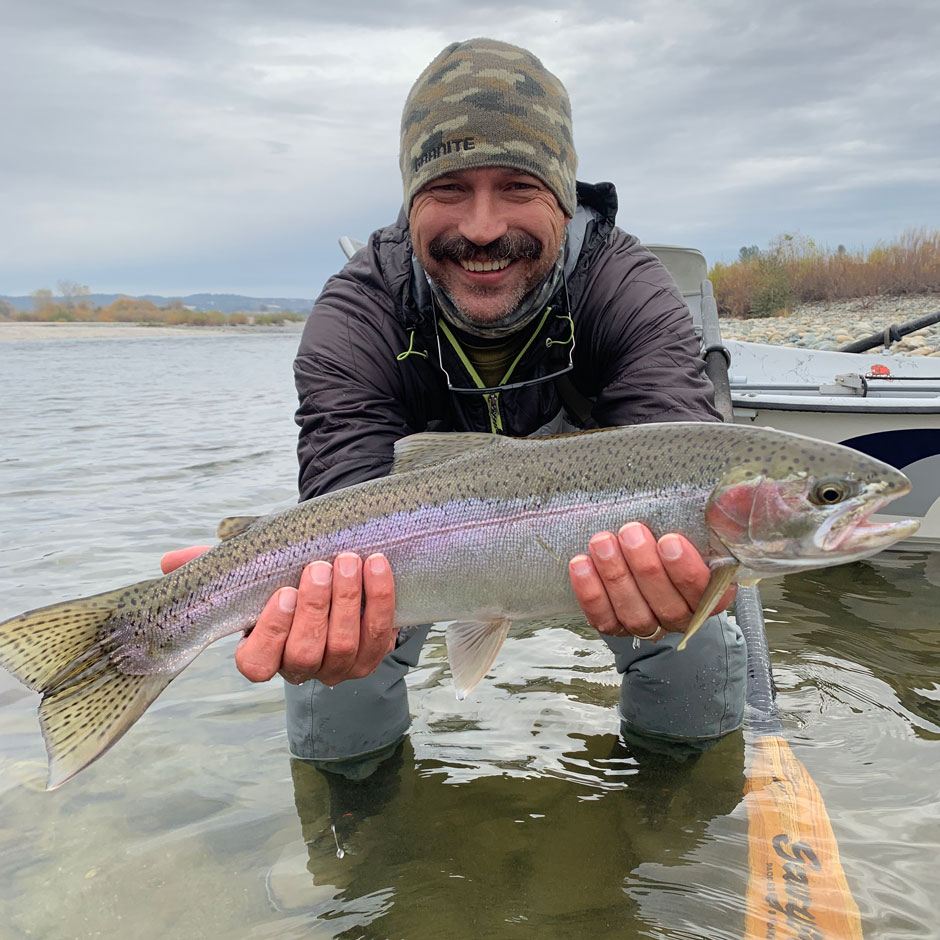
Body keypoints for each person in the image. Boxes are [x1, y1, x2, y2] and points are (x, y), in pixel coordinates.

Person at [164, 38, 746, 770]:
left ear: (563, 198)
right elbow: (343, 505)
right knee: (336, 655)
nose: (480, 227)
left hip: (594, 535)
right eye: (447, 190)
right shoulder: (358, 313)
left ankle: (682, 829)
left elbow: (683, 452)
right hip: (413, 535)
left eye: (518, 186)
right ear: (410, 202)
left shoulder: (625, 288)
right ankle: (364, 847)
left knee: (694, 631)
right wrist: (250, 583)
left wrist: (701, 576)